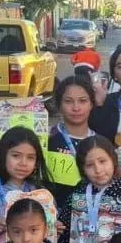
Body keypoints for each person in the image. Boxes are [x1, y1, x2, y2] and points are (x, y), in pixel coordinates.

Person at [48, 75, 100, 205]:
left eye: (82, 101)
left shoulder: (101, 143)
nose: (76, 108)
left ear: (91, 104)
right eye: (68, 101)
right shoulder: (47, 139)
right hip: (55, 217)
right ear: (59, 104)